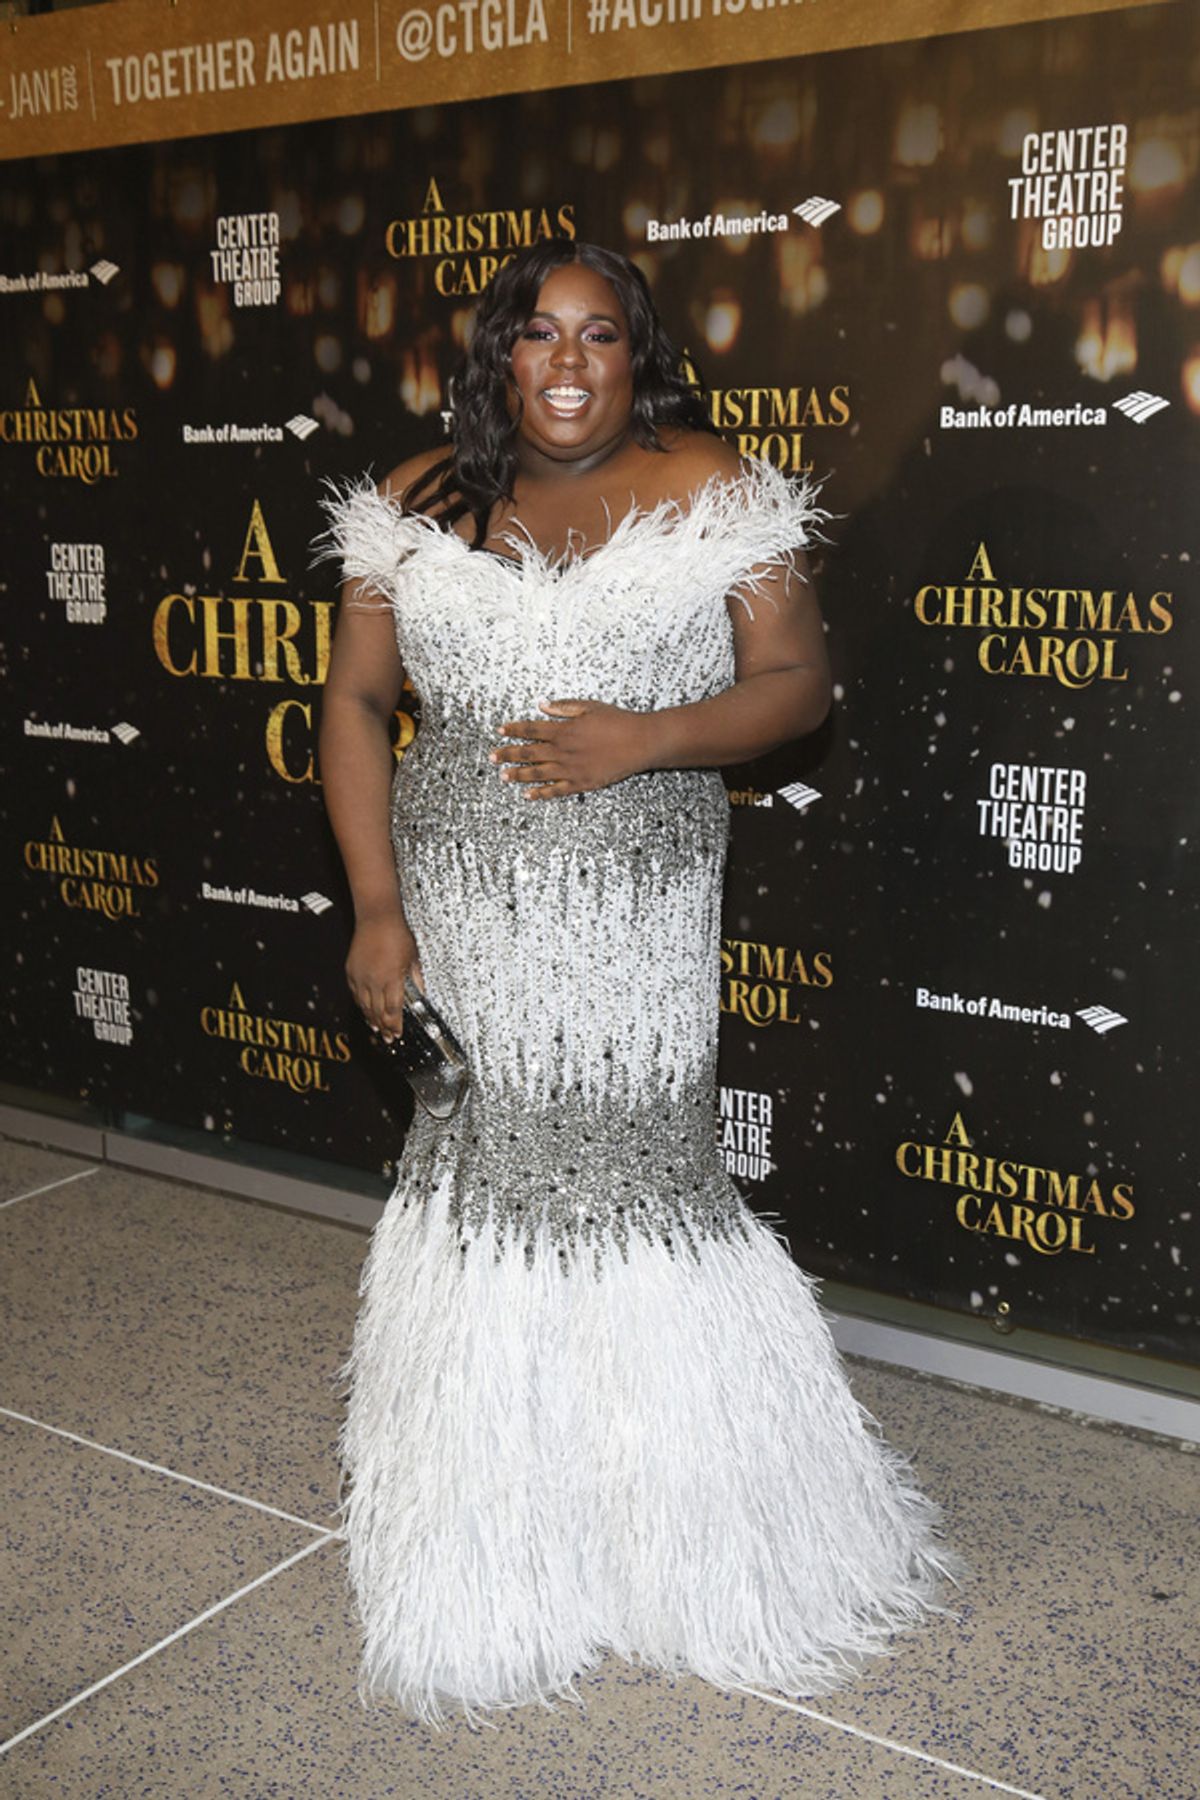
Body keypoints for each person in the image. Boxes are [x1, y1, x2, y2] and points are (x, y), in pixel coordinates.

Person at [316, 240, 957, 1731]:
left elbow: (797, 684)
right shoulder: (415, 497)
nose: (567, 362)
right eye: (538, 333)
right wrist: (377, 907)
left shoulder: (710, 483)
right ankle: (499, 1542)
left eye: (598, 335)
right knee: (485, 1175)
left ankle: (686, 1544)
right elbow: (353, 699)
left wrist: (645, 737)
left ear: (637, 356)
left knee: (634, 1172)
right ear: (499, 353)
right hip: (460, 907)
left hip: (633, 909)